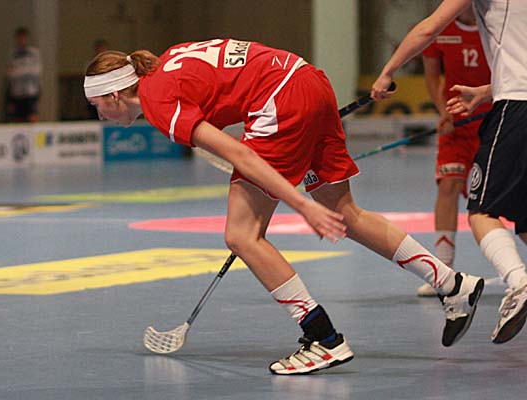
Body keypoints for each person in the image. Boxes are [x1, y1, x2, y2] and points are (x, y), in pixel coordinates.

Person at [85, 39, 484, 375]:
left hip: (279, 102)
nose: (99, 115)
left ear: (115, 94)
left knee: (242, 235)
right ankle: (452, 284)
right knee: (346, 213)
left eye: (97, 105)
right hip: (307, 79)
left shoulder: (157, 103)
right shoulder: (167, 62)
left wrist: (300, 204)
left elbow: (240, 155)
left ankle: (323, 338)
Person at [372, 0, 527, 344]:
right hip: (508, 95)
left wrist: (387, 72)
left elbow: (429, 28)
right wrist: (486, 91)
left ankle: (519, 284)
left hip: (517, 107)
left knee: (482, 211)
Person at [416, 6, 492, 297]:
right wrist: (442, 110)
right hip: (456, 124)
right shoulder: (440, 28)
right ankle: (443, 271)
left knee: (499, 198)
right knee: (448, 185)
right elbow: (432, 76)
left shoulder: (496, 23)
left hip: (493, 120)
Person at [6, 27, 41, 122]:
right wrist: (25, 71)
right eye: (20, 38)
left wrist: (18, 71)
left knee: (32, 117)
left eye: (24, 38)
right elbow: (10, 74)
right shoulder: (12, 54)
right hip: (16, 92)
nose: (22, 40)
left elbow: (35, 72)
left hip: (31, 92)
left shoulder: (34, 53)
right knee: (17, 119)